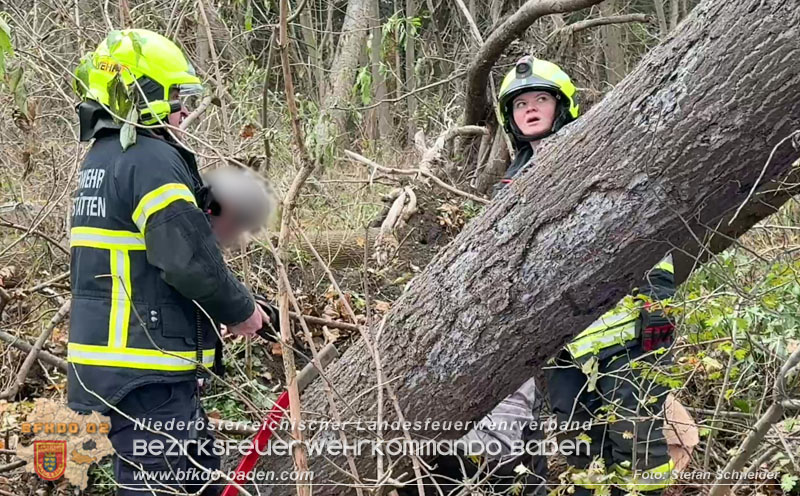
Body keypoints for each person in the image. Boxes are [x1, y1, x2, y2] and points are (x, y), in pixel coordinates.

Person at [69, 29, 270, 495]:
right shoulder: (150, 159)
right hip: (146, 373)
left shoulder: (105, 158)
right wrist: (242, 311)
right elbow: (187, 259)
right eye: (177, 95)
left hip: (126, 367)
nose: (184, 110)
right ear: (149, 95)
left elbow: (146, 266)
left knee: (196, 479)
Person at [493, 56, 678, 496]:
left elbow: (646, 229)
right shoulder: (508, 186)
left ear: (562, 106)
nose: (531, 109)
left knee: (639, 448)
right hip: (563, 346)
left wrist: (658, 305)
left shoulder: (599, 159)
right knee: (581, 450)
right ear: (511, 118)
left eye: (540, 99)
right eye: (521, 104)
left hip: (629, 334)